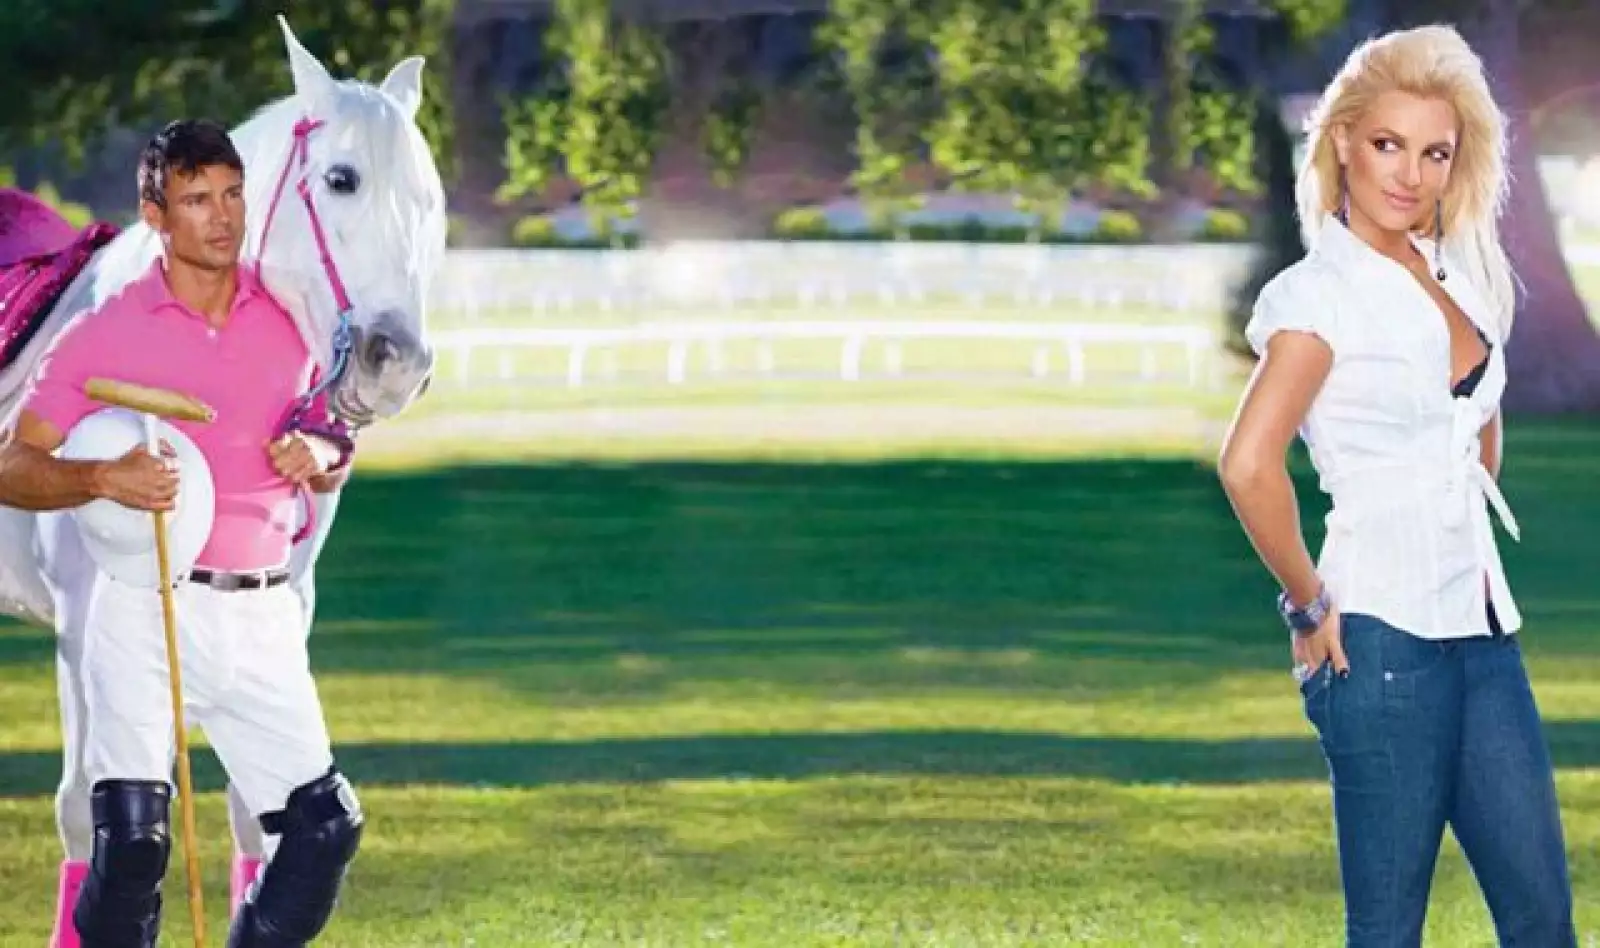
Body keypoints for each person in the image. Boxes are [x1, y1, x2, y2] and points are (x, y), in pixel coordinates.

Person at [1217, 25, 1576, 948]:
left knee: (1541, 920)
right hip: (1378, 643)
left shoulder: (1462, 275)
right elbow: (1249, 464)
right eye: (1387, 144)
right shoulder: (1317, 298)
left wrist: (1459, 500)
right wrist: (1308, 605)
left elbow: (1476, 419)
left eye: (1434, 152)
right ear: (1342, 142)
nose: (1408, 174)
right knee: (1387, 933)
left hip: (1485, 637)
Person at [0, 119, 360, 946]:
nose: (222, 217)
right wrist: (99, 479)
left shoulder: (291, 322)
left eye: (232, 195)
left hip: (263, 616)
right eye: (197, 199)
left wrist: (323, 450)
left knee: (325, 829)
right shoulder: (104, 328)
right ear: (155, 215)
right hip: (145, 612)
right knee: (129, 853)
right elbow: (14, 463)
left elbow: (333, 430)